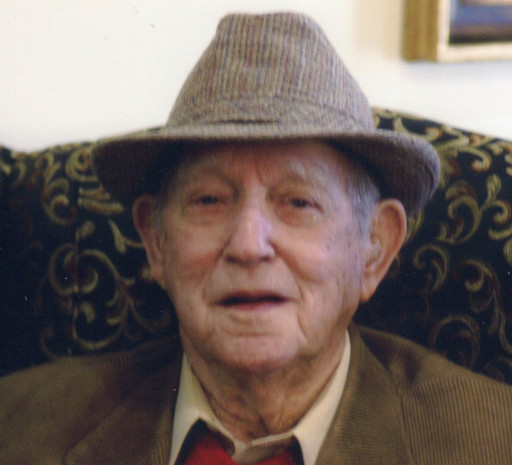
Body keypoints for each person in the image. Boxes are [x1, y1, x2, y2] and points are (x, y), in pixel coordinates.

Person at [0, 11, 511, 465]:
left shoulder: (492, 442)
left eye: (298, 203)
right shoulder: (18, 425)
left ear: (375, 248)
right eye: (208, 200)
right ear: (155, 241)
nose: (248, 245)